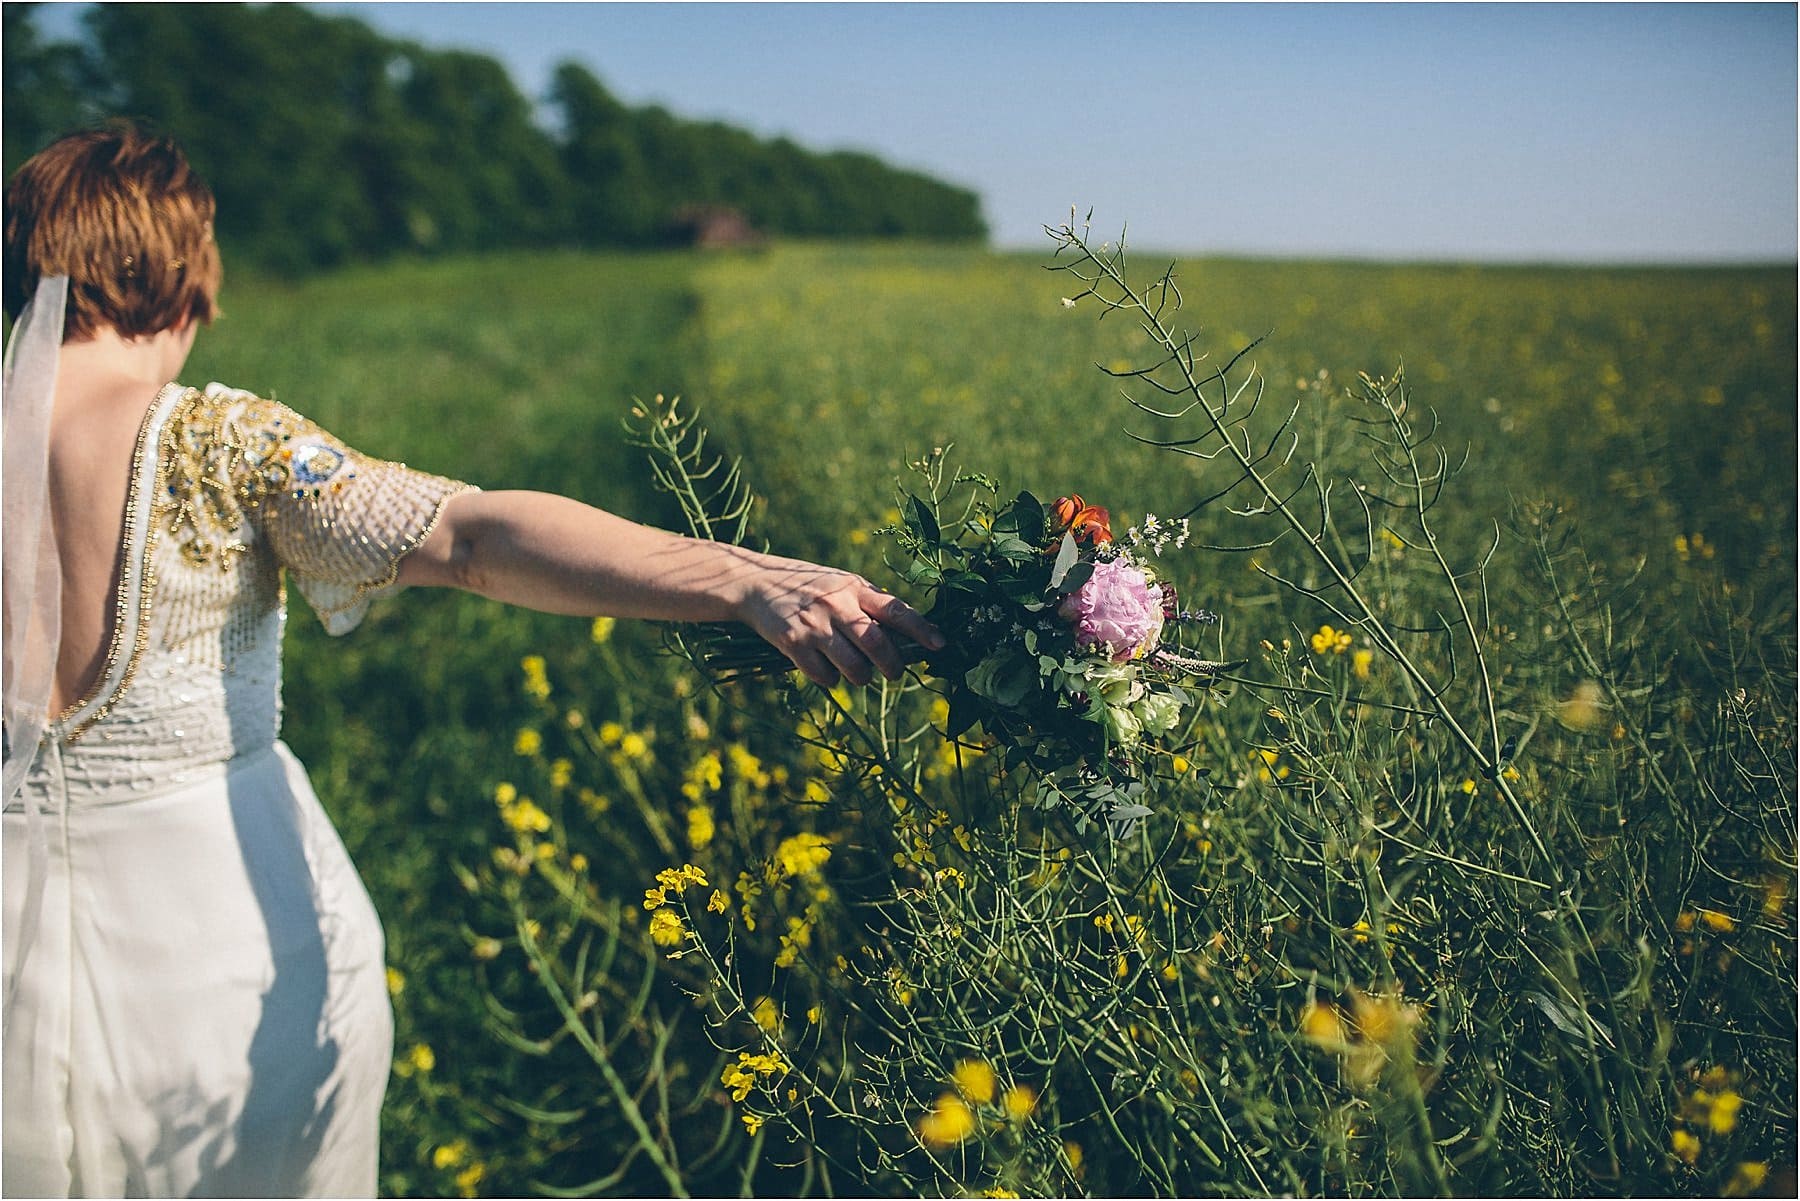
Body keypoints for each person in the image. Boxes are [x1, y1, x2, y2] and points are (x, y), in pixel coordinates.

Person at [0, 123, 942, 1198]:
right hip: (221, 964)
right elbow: (474, 540)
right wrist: (739, 575)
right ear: (181, 271)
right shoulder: (223, 443)